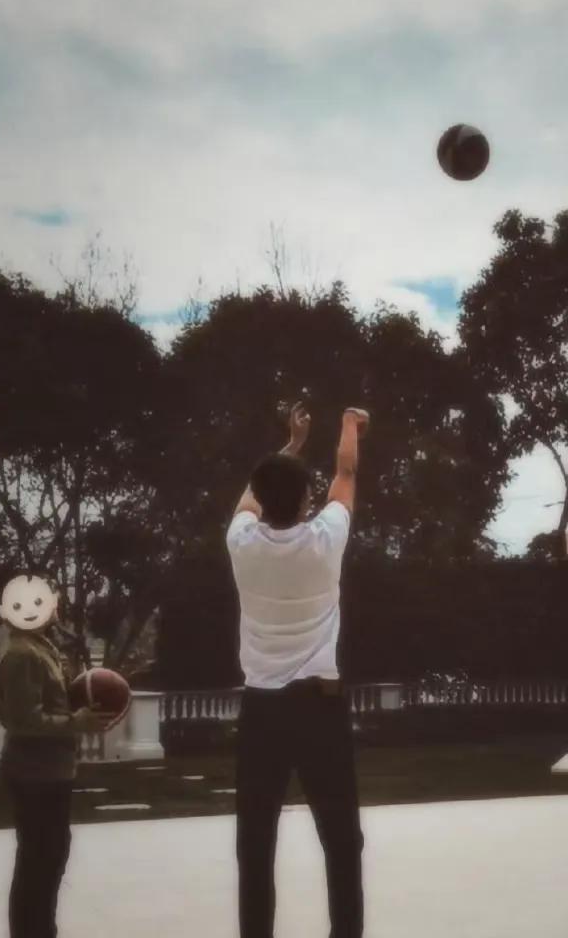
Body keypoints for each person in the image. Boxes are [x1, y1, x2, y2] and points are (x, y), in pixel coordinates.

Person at [226, 402, 370, 938]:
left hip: (262, 710)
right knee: (341, 839)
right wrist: (349, 424)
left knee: (255, 841)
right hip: (318, 709)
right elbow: (346, 472)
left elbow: (251, 495)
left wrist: (291, 445)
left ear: (262, 501)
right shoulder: (324, 540)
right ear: (308, 498)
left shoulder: (241, 543)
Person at [0, 570, 115, 938]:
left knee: (50, 856)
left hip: (51, 770)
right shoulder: (22, 655)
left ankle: (40, 929)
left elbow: (49, 703)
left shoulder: (41, 648)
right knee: (39, 860)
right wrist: (77, 722)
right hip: (35, 773)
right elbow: (23, 720)